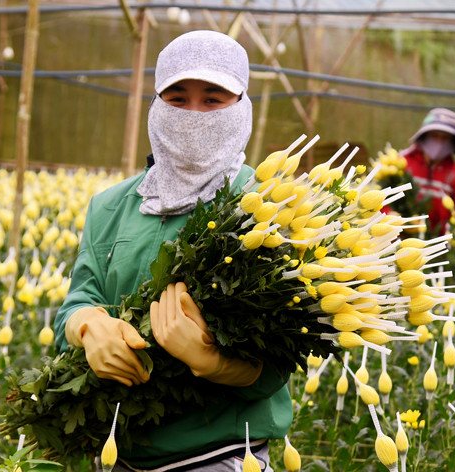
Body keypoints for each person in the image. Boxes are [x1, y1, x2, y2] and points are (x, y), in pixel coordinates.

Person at [54, 30, 291, 472]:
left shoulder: (266, 209)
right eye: (177, 99)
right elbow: (78, 300)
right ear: (156, 106)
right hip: (114, 453)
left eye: (213, 100)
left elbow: (284, 353)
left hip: (220, 457)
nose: (193, 115)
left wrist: (217, 363)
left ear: (241, 110)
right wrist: (87, 326)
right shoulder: (110, 206)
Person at [400, 108, 455, 243]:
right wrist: (393, 217)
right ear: (424, 136)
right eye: (434, 135)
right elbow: (383, 199)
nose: (439, 141)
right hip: (397, 241)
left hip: (435, 246)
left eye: (445, 138)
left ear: (453, 143)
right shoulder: (403, 163)